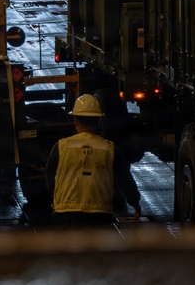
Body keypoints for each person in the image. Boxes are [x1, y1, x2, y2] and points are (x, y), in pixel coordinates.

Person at [45, 94, 141, 228]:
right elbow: (124, 179)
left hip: (66, 215)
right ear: (98, 121)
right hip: (100, 215)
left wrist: (59, 200)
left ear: (75, 120)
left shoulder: (61, 147)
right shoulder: (109, 148)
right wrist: (135, 202)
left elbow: (50, 180)